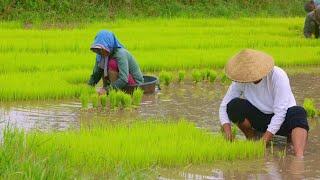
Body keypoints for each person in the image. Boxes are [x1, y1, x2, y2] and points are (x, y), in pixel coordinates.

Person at [219, 49, 309, 158]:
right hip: (260, 118)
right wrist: (228, 133)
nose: (251, 78)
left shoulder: (278, 76)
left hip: (284, 120)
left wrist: (264, 141)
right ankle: (252, 138)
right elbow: (224, 106)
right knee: (233, 106)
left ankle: (298, 155)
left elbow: (280, 113)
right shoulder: (241, 80)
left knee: (298, 112)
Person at [88, 30, 144, 94]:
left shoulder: (121, 54)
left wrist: (107, 90)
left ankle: (114, 91)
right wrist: (88, 87)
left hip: (134, 85)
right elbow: (96, 74)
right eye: (98, 50)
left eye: (101, 49)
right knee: (102, 66)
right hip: (119, 83)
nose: (100, 52)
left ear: (109, 45)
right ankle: (111, 89)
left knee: (112, 64)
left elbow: (123, 79)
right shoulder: (101, 56)